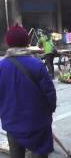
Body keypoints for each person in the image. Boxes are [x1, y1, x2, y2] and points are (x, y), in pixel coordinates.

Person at [0, 25, 57, 158]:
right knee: (39, 154)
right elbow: (50, 93)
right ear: (26, 42)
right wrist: (50, 111)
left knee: (16, 154)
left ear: (8, 43)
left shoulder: (1, 67)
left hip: (12, 123)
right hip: (38, 123)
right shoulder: (37, 64)